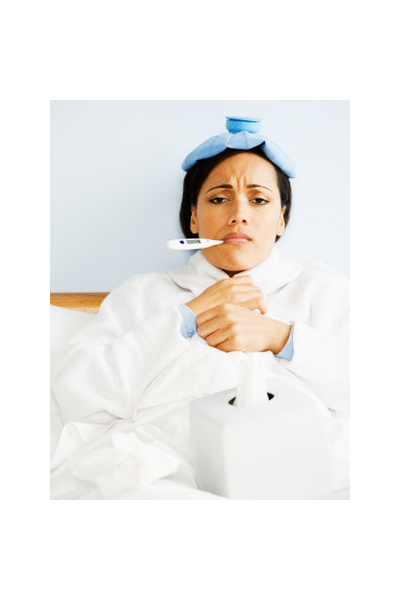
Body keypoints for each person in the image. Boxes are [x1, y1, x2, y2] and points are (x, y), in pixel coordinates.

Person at [51, 117, 349, 497]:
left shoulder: (320, 289)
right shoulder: (142, 294)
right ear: (193, 217)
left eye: (258, 200)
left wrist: (283, 338)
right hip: (165, 475)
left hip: (295, 468)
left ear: (281, 219)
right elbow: (80, 393)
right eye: (219, 199)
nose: (239, 214)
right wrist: (187, 316)